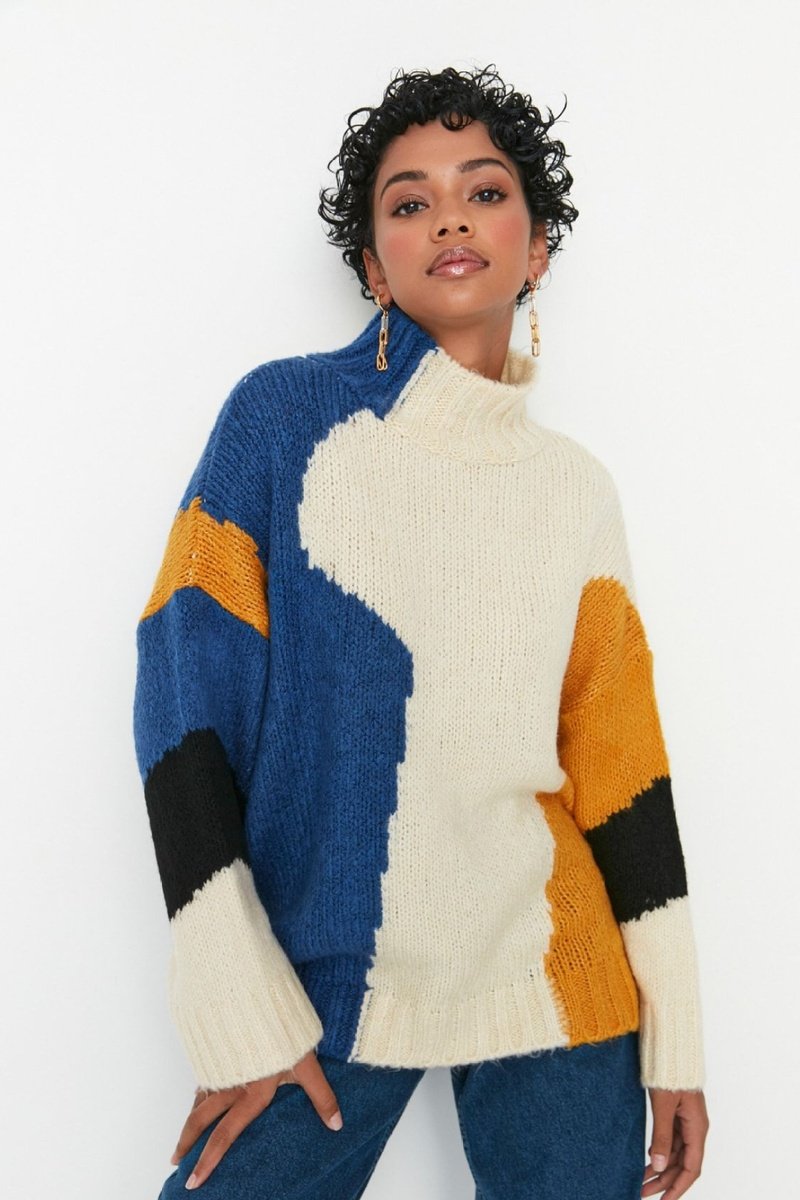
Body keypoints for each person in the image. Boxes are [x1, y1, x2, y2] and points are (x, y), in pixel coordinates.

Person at [133, 64, 709, 1200]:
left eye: (483, 192)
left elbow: (621, 766)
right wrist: (238, 1002)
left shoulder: (574, 490)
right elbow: (180, 706)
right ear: (371, 265)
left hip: (557, 977)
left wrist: (676, 1036)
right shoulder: (280, 422)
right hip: (323, 974)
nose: (449, 218)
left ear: (537, 250)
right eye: (409, 203)